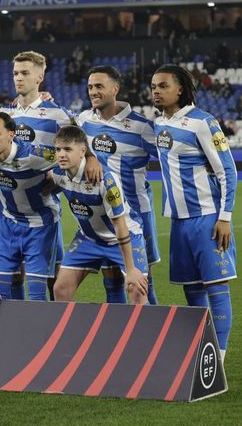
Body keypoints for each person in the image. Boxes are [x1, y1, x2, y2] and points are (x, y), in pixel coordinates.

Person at [150, 64, 237, 360]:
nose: (156, 91)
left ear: (180, 90)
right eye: (153, 87)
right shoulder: (158, 124)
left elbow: (227, 171)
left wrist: (224, 217)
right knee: (192, 290)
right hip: (179, 222)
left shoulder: (203, 122)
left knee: (216, 287)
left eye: (163, 86)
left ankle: (218, 358)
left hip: (208, 218)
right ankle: (202, 353)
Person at [0, 50, 101, 300]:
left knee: (50, 279)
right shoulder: (4, 114)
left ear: (40, 77)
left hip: (44, 208)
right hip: (9, 211)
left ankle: (56, 321)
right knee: (13, 279)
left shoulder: (58, 114)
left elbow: (80, 143)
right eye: (15, 73)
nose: (18, 78)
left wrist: (90, 158)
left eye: (25, 73)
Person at [76, 66, 160, 305]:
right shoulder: (84, 120)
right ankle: (119, 328)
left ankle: (154, 327)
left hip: (137, 213)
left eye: (99, 86)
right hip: (103, 214)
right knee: (111, 279)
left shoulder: (141, 127)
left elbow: (170, 158)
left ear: (115, 89)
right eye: (90, 87)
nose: (93, 91)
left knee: (142, 282)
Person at [51, 126, 148, 305]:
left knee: (136, 289)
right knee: (60, 289)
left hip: (123, 237)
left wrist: (131, 269)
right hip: (89, 239)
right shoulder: (57, 173)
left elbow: (120, 225)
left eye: (68, 149)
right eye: (58, 149)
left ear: (83, 152)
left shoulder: (105, 180)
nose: (61, 155)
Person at [0, 112, 60, 300]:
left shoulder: (33, 155)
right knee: (0, 290)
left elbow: (73, 157)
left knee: (37, 294)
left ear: (11, 135)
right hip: (8, 224)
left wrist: (57, 178)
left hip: (41, 226)